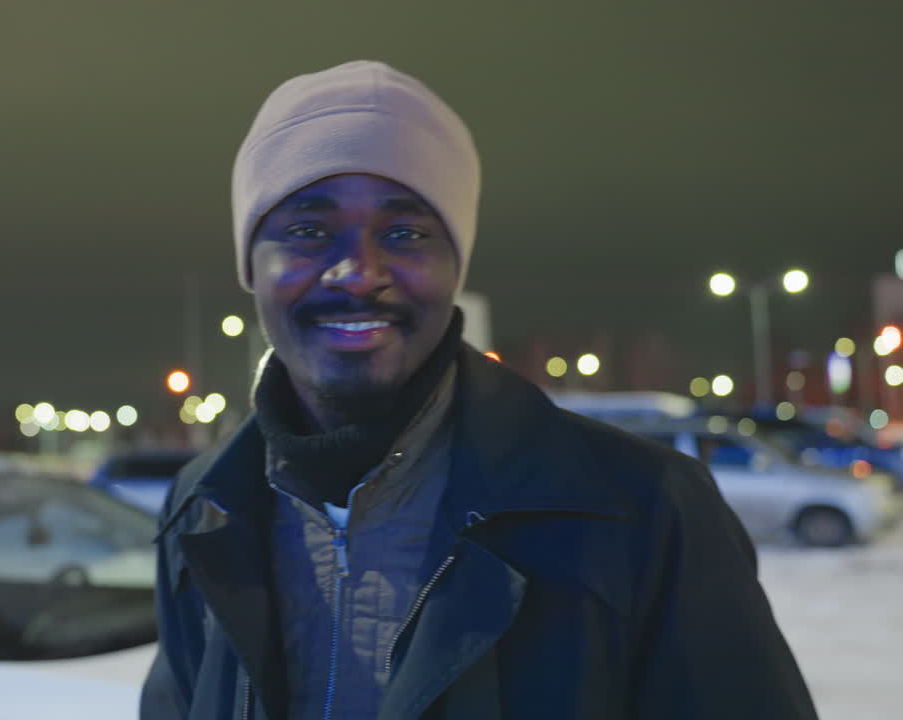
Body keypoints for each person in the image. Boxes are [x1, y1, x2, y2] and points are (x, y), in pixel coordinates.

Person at [140, 60, 818, 720]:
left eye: (405, 233)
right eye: (308, 231)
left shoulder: (643, 511)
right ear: (252, 268)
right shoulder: (203, 509)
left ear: (455, 265)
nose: (356, 272)